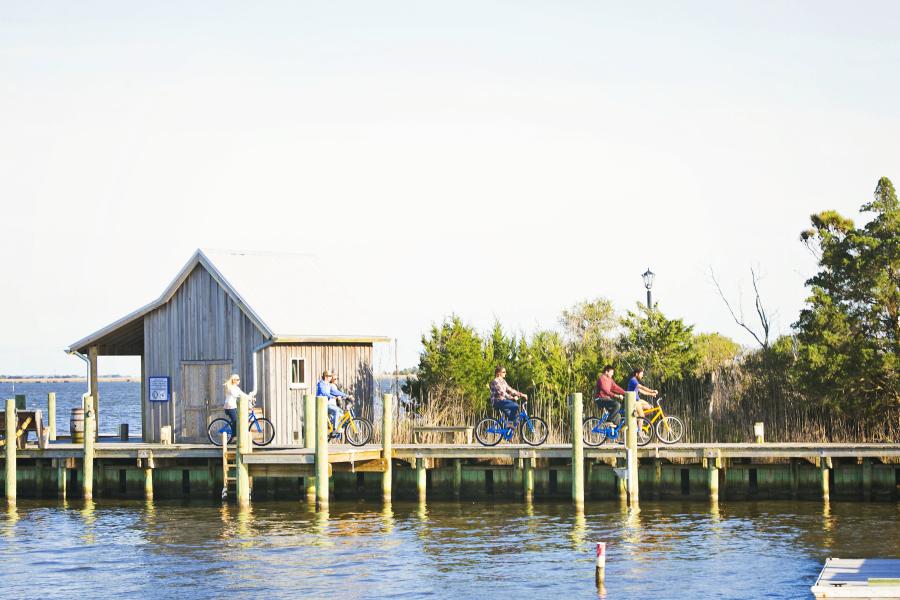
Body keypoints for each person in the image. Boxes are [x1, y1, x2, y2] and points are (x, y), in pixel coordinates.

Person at [222, 373, 255, 441]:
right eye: (238, 379)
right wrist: (247, 398)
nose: (239, 381)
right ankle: (233, 436)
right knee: (236, 421)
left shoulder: (237, 388)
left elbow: (242, 394)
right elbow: (236, 395)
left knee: (238, 420)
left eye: (239, 379)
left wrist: (250, 398)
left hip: (233, 407)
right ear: (234, 380)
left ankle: (234, 434)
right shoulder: (231, 388)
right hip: (229, 408)